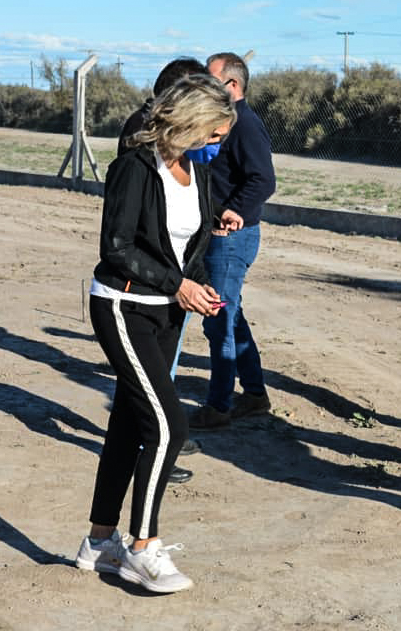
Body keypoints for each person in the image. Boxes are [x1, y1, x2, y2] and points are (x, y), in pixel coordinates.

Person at [75, 74, 236, 594]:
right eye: (213, 134)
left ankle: (99, 542)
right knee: (169, 427)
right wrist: (179, 285)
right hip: (122, 306)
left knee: (128, 422)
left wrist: (202, 289)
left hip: (168, 312)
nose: (219, 144)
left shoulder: (198, 173)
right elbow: (116, 249)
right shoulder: (133, 168)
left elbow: (189, 248)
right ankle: (142, 549)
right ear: (188, 124)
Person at [118, 56, 214, 482]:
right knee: (151, 394)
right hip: (140, 294)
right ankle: (154, 449)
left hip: (169, 295)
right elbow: (126, 241)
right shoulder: (141, 146)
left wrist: (197, 280)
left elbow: (185, 225)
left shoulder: (189, 156)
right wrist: (179, 283)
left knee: (144, 391)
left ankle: (151, 444)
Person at [189, 52, 276, 431]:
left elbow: (263, 180)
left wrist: (235, 210)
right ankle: (255, 395)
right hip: (217, 236)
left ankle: (219, 406)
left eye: (211, 81)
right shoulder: (224, 121)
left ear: (233, 85)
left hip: (232, 239)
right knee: (231, 315)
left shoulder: (245, 125)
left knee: (219, 320)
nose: (204, 88)